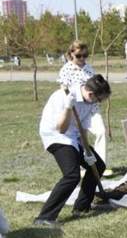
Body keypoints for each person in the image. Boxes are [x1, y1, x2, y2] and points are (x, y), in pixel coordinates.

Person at [34, 75, 111, 227]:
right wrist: (69, 107)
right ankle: (44, 218)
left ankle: (81, 207)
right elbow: (61, 129)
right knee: (72, 175)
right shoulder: (64, 97)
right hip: (56, 136)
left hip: (74, 138)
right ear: (90, 94)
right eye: (99, 99)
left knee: (98, 165)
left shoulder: (89, 102)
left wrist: (85, 149)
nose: (99, 103)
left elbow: (80, 128)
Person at [57, 40, 110, 175]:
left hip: (92, 109)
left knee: (101, 131)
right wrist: (69, 105)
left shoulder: (89, 69)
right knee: (80, 136)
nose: (82, 58)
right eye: (79, 55)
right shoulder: (66, 69)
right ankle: (83, 165)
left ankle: (99, 165)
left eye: (85, 55)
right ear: (71, 54)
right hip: (75, 110)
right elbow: (63, 90)